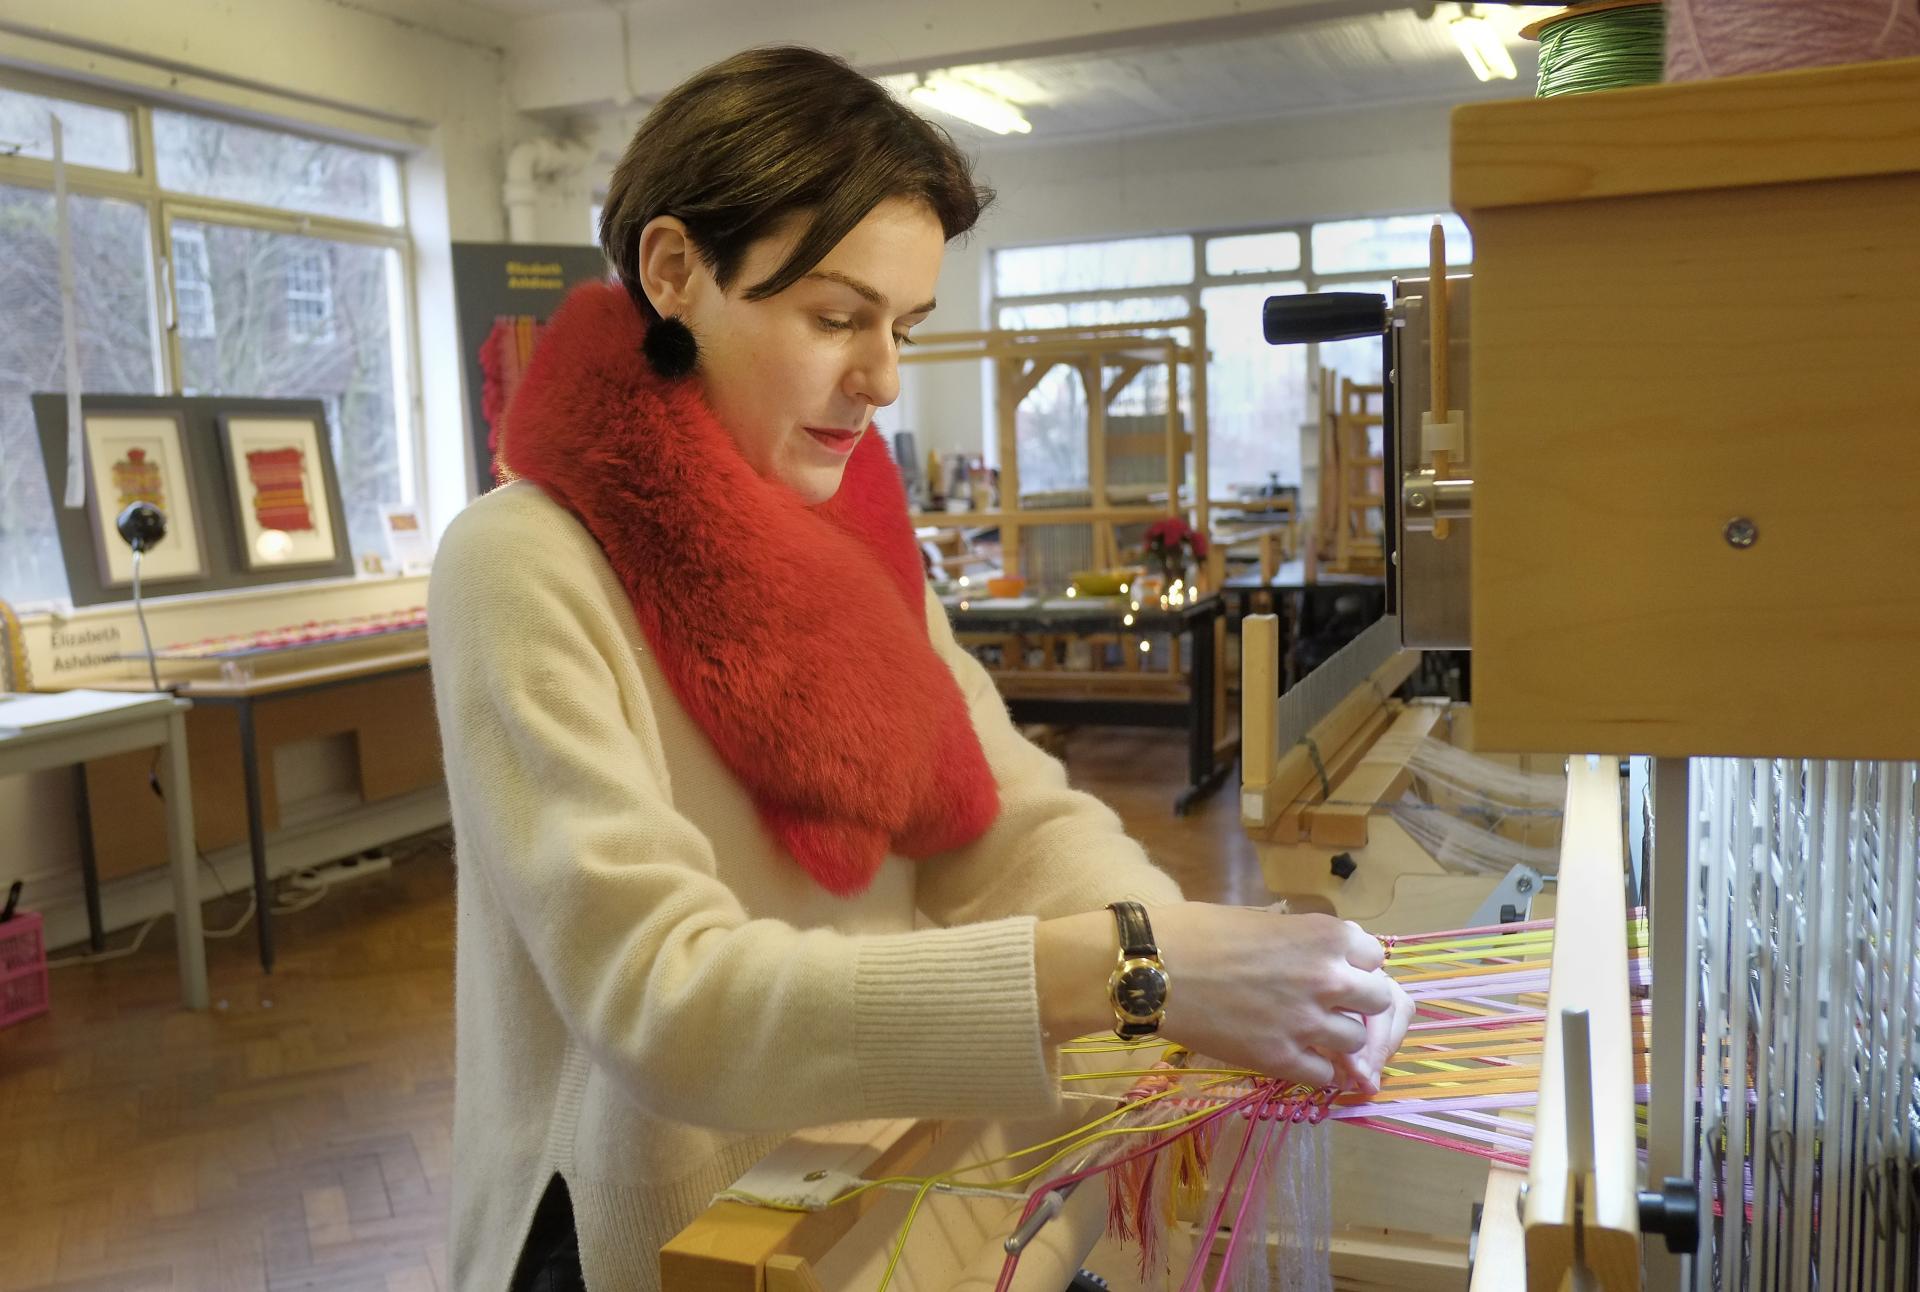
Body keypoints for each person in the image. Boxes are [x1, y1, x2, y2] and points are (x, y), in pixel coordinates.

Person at [428, 45, 1413, 1292]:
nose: (884, 379)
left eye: (903, 326)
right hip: (676, 1221)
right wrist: (1134, 967)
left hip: (886, 1164)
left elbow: (1003, 816)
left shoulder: (848, 531)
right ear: (674, 271)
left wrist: (1196, 946)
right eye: (837, 318)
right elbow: (665, 1002)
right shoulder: (520, 563)